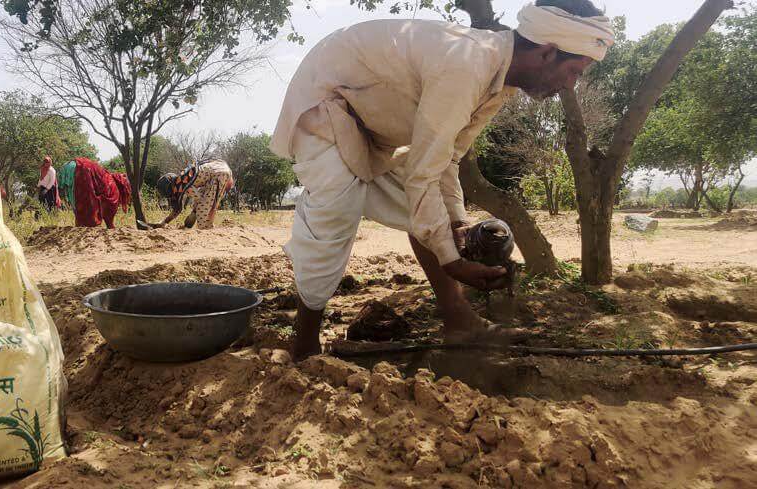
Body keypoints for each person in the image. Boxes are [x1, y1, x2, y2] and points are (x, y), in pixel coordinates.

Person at [270, 0, 614, 359]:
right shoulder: (467, 64)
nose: (570, 86)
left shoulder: (498, 81)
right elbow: (422, 173)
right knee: (336, 212)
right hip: (326, 102)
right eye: (575, 71)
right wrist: (453, 261)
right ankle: (305, 342)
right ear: (547, 53)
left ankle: (459, 320)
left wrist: (458, 225)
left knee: (430, 213)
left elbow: (446, 158)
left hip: (369, 125)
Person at [151, 160, 234, 230]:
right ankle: (206, 228)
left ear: (169, 190)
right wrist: (165, 222)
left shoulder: (184, 186)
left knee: (203, 208)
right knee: (204, 203)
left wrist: (164, 222)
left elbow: (201, 201)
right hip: (220, 166)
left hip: (219, 174)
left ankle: (207, 230)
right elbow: (179, 208)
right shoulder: (181, 180)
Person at [72, 157, 131, 228]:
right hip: (82, 170)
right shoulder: (113, 189)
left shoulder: (107, 179)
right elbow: (109, 212)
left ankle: (79, 224)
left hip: (79, 167)